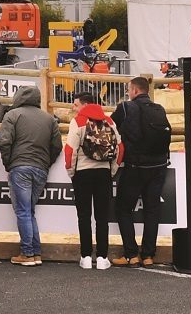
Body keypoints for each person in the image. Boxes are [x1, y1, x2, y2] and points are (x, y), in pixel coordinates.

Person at [109, 75, 171, 267]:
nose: (128, 93)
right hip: (159, 166)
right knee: (152, 211)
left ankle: (131, 254)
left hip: (135, 167)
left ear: (135, 90)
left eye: (129, 89)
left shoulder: (126, 107)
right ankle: (148, 256)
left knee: (123, 209)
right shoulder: (159, 109)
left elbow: (109, 126)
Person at [0, 85, 56, 266]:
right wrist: (46, 163)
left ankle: (27, 253)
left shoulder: (12, 115)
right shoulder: (49, 118)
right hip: (40, 168)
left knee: (23, 211)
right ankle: (35, 253)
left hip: (20, 167)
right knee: (29, 211)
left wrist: (8, 163)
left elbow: (4, 142)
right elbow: (56, 146)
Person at [63, 92, 118, 270]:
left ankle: (86, 256)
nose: (73, 107)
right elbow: (120, 148)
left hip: (83, 173)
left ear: (85, 105)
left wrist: (72, 172)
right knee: (102, 217)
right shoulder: (109, 121)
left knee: (84, 216)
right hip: (103, 173)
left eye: (76, 104)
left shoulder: (78, 121)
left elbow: (70, 150)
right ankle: (102, 257)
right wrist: (111, 170)